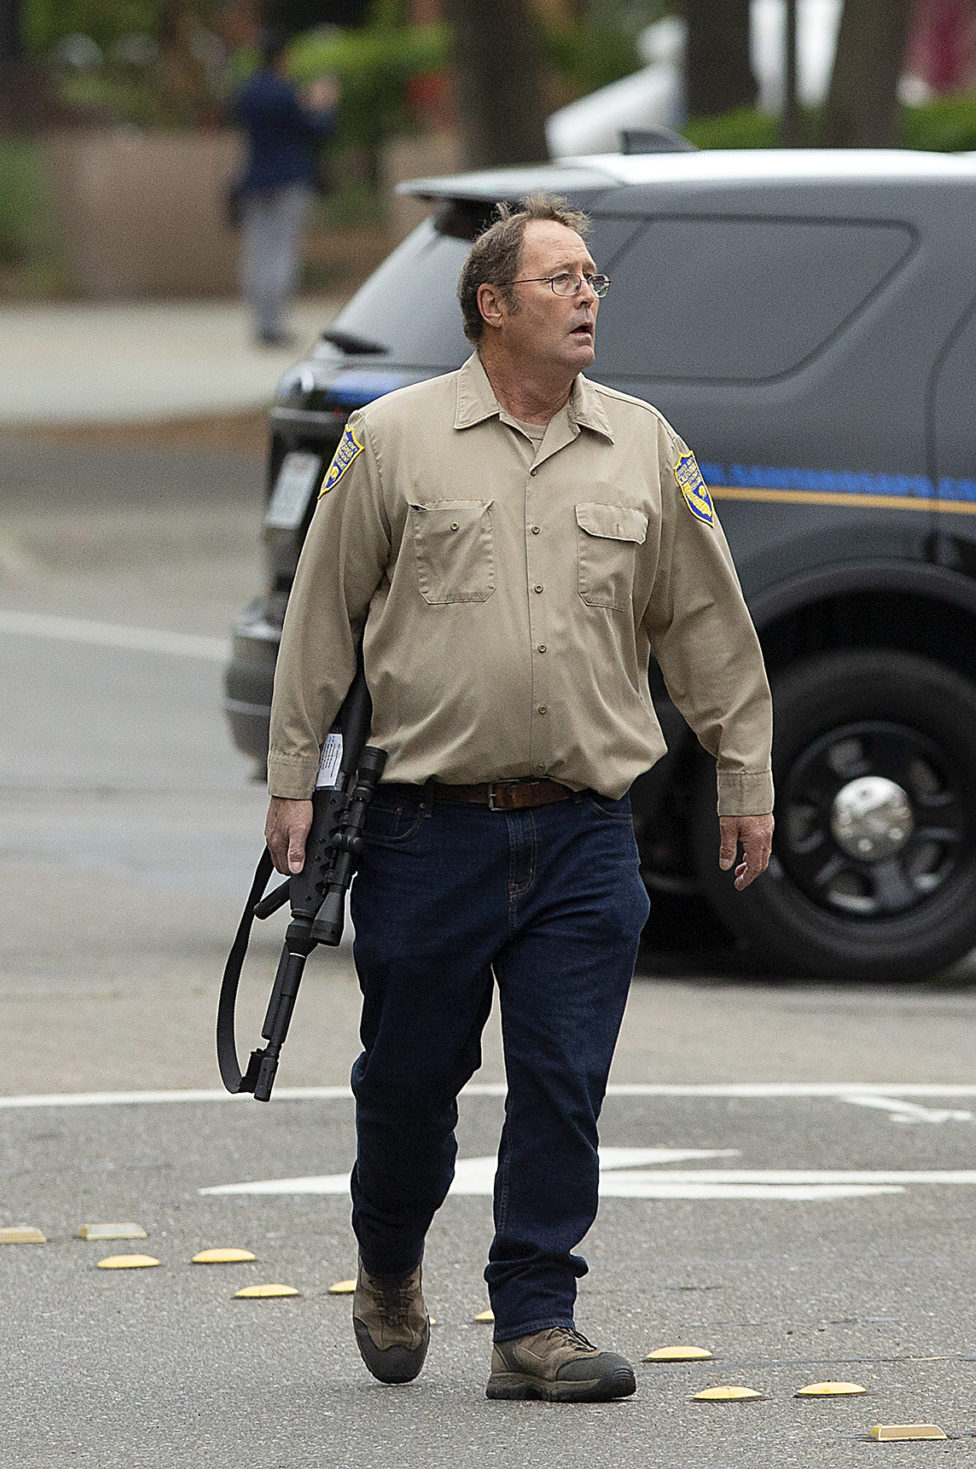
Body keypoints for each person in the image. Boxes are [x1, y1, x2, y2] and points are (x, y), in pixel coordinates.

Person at [263, 194, 775, 1401]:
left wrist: (742, 772)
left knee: (561, 1074)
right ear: (490, 305)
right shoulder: (389, 439)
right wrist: (296, 781)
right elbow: (318, 620)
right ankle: (387, 1255)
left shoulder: (645, 446)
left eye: (590, 276)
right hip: (422, 828)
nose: (587, 295)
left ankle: (533, 1319)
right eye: (559, 279)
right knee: (405, 1084)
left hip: (582, 828)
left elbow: (704, 622)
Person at [227, 32, 338, 347]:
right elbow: (314, 130)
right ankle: (273, 324)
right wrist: (324, 106)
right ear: (282, 57)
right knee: (282, 251)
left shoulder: (248, 92)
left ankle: (259, 321)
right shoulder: (285, 92)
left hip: (255, 180)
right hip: (289, 180)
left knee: (257, 251)